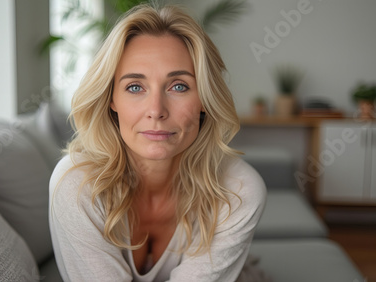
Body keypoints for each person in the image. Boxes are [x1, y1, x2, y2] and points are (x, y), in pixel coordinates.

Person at [49, 4, 266, 281]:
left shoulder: (238, 190)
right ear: (111, 99)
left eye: (179, 86)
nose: (156, 110)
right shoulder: (75, 183)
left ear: (204, 100)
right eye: (135, 87)